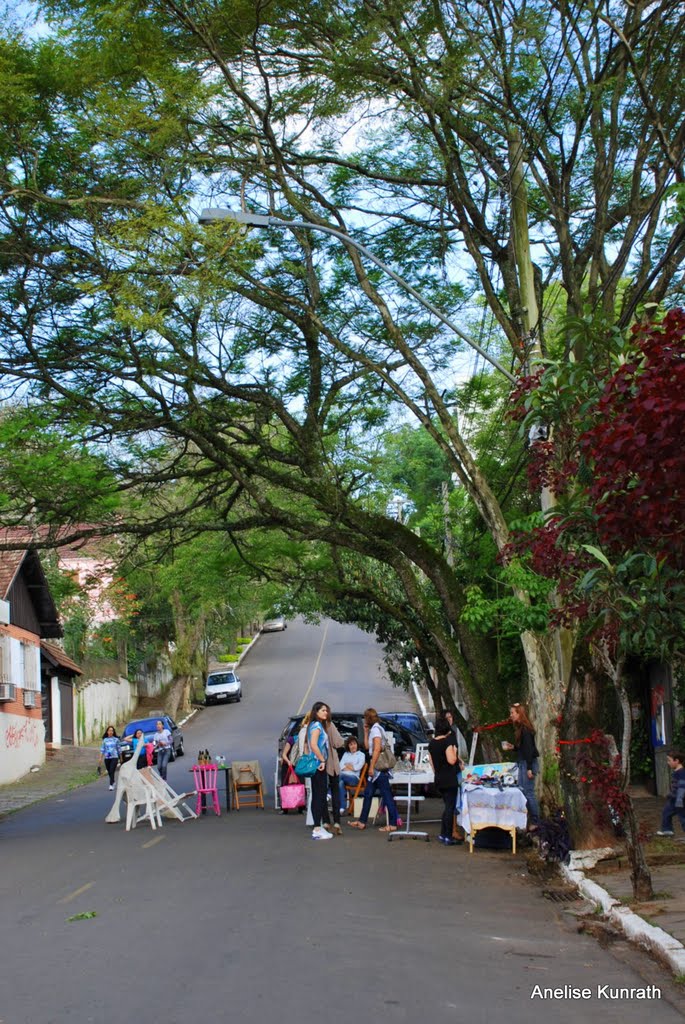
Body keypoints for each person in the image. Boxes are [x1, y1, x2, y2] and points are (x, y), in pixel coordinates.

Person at [348, 708, 399, 833]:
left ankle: (392, 823)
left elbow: (376, 750)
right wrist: (366, 733)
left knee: (386, 795)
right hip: (376, 769)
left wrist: (371, 766)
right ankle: (362, 821)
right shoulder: (373, 730)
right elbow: (367, 747)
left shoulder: (376, 730)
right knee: (368, 793)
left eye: (365, 718)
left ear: (368, 718)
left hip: (378, 768)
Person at [502, 702, 540, 829]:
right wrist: (513, 747)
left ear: (519, 714)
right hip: (524, 762)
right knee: (523, 791)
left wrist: (529, 768)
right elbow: (523, 748)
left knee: (528, 792)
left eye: (513, 713)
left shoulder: (525, 730)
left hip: (527, 763)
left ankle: (535, 821)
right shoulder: (521, 729)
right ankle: (528, 819)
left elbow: (529, 750)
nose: (511, 715)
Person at [428, 712, 464, 845]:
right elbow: (451, 760)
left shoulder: (432, 743)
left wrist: (437, 771)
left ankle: (443, 834)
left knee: (446, 806)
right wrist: (454, 750)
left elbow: (431, 761)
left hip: (439, 778)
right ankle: (448, 836)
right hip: (449, 778)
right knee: (450, 807)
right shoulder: (446, 742)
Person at [308, 701, 332, 840]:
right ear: (316, 712)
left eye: (326, 710)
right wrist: (322, 759)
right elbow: (313, 745)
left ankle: (318, 825)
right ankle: (317, 827)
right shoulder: (316, 726)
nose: (325, 713)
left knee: (318, 794)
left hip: (317, 764)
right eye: (323, 710)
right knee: (319, 795)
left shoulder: (315, 725)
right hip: (318, 765)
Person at [321, 706, 344, 835]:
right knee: (335, 791)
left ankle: (325, 820)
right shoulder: (330, 725)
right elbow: (338, 742)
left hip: (319, 763)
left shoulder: (315, 726)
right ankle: (337, 821)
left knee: (321, 792)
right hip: (331, 762)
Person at [656, 752, 685, 837]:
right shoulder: (676, 772)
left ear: (677, 761)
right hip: (673, 799)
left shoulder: (681, 772)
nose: (668, 762)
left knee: (683, 818)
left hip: (680, 800)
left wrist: (679, 800)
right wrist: (671, 795)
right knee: (666, 812)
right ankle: (667, 830)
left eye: (669, 760)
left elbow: (682, 787)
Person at [338, 736, 366, 813]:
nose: (353, 746)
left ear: (357, 744)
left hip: (354, 778)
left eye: (354, 744)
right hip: (343, 777)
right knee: (340, 783)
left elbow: (357, 767)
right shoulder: (346, 754)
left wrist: (347, 766)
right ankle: (342, 808)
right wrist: (350, 767)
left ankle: (330, 793)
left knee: (339, 776)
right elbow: (340, 766)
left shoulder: (361, 755)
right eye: (351, 744)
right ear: (348, 746)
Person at [279, 730, 304, 815]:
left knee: (300, 784)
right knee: (285, 784)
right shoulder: (291, 740)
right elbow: (284, 754)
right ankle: (284, 808)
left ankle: (301, 807)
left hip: (298, 764)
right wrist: (289, 762)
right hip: (287, 764)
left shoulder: (304, 741)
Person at [98, 725, 121, 791]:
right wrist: (100, 758)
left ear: (113, 732)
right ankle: (113, 781)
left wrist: (121, 758)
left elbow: (119, 749)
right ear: (107, 732)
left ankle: (111, 785)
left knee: (112, 770)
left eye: (112, 731)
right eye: (109, 730)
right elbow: (102, 749)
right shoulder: (105, 740)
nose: (110, 732)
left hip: (114, 757)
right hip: (107, 758)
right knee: (109, 771)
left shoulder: (116, 739)